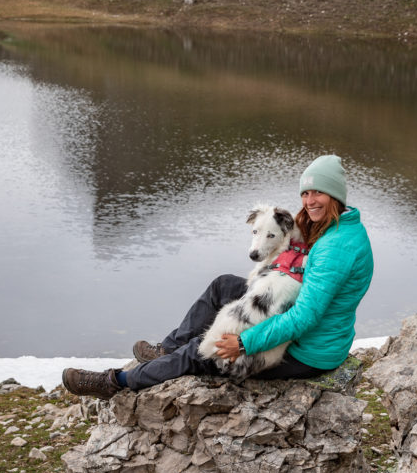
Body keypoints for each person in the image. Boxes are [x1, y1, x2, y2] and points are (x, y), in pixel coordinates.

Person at [62, 154, 374, 399]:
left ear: (335, 195)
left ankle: (116, 381)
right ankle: (166, 350)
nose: (308, 201)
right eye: (305, 192)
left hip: (307, 351)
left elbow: (305, 317)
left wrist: (244, 343)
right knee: (224, 285)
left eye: (318, 192)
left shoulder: (336, 248)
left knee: (203, 350)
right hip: (302, 321)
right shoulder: (337, 226)